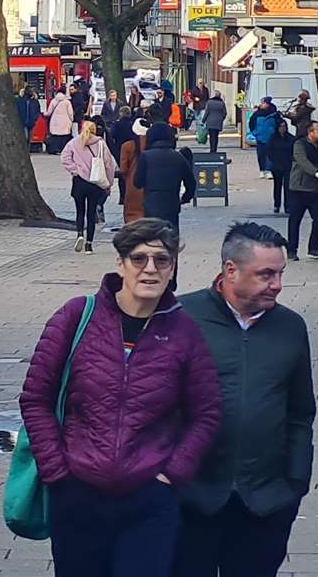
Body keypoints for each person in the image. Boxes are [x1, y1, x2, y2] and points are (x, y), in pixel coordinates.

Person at [19, 219, 222, 576]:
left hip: (148, 499)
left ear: (173, 268)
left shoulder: (184, 332)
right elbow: (35, 398)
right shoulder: (76, 317)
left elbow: (206, 412)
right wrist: (57, 471)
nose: (150, 268)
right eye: (139, 258)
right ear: (120, 264)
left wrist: (174, 472)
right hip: (78, 494)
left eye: (162, 260)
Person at [173, 223, 315, 577]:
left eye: (281, 272)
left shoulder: (291, 327)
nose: (277, 284)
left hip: (266, 502)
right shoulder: (180, 319)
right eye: (266, 274)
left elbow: (300, 411)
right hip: (192, 499)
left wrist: (294, 481)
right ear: (230, 271)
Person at [61, 120, 116, 252]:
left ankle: (80, 233)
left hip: (79, 181)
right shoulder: (101, 143)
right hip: (95, 182)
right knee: (91, 214)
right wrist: (108, 183)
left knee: (80, 211)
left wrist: (75, 170)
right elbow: (109, 164)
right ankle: (89, 245)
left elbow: (64, 158)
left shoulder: (74, 142)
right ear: (94, 130)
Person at [132, 123, 195, 230]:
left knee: (153, 238)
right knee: (170, 238)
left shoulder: (146, 156)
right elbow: (191, 182)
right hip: (171, 204)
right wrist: (185, 198)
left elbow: (137, 182)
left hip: (151, 204)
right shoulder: (178, 157)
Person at [286, 121, 318, 260]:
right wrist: (316, 172)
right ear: (310, 132)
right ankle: (292, 250)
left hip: (316, 190)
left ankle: (314, 248)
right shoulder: (299, 144)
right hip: (299, 189)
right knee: (295, 220)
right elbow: (302, 161)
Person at [117, 118, 148, 229]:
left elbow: (123, 168)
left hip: (132, 183)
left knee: (132, 214)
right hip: (149, 183)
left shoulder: (127, 146)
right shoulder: (150, 144)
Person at [265, 116, 295, 217]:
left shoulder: (290, 138)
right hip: (277, 166)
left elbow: (294, 151)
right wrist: (274, 161)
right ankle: (277, 204)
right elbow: (269, 151)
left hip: (288, 165)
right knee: (277, 186)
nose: (283, 128)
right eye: (281, 127)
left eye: (284, 126)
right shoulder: (273, 138)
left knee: (288, 186)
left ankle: (288, 206)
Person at [246, 98, 279, 179]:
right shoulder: (256, 114)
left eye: (263, 103)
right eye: (262, 103)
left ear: (268, 104)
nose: (262, 104)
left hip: (271, 138)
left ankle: (268, 170)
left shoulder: (274, 114)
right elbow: (251, 124)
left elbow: (279, 124)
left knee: (270, 155)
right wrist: (255, 133)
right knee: (261, 155)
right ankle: (262, 170)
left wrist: (275, 133)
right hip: (260, 137)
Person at [45, 88, 75, 156]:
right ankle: (63, 150)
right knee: (64, 137)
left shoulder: (53, 101)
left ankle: (55, 149)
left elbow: (49, 112)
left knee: (55, 136)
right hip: (65, 122)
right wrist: (71, 120)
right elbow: (70, 113)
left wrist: (45, 114)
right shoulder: (67, 102)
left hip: (55, 122)